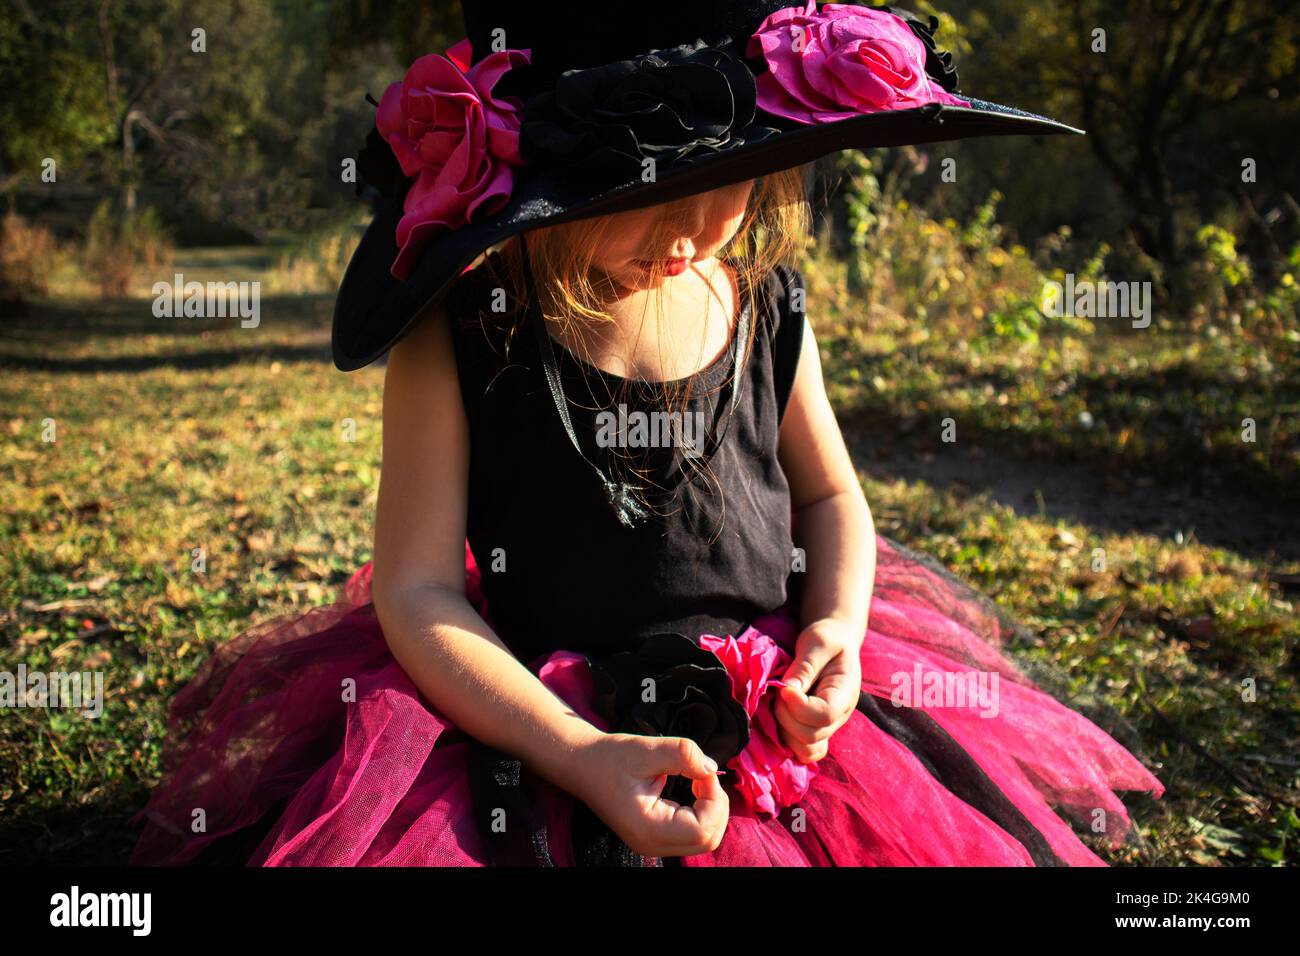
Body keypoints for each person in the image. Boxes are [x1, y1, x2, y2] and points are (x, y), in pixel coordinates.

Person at [131, 0, 1164, 867]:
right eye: (640, 196)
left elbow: (829, 498)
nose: (682, 231)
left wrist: (837, 632)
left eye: (715, 188)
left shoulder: (763, 299)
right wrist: (576, 750)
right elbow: (416, 591)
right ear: (541, 185)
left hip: (774, 735)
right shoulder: (462, 331)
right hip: (537, 730)